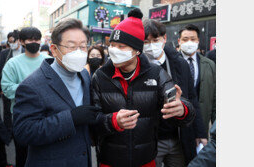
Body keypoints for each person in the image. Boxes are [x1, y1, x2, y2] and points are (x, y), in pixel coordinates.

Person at [91, 8, 195, 167]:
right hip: (109, 160)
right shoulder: (100, 76)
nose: (114, 50)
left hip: (146, 160)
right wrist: (112, 121)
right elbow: (92, 121)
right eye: (112, 45)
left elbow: (183, 107)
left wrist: (182, 109)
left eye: (121, 46)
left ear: (137, 51)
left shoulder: (156, 74)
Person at [12, 18, 105, 167]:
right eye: (71, 46)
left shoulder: (84, 75)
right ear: (54, 49)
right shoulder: (31, 85)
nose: (79, 52)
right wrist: (71, 118)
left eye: (83, 46)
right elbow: (24, 132)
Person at [143, 19, 207, 166]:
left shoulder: (179, 64)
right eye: (146, 42)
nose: (151, 45)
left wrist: (200, 132)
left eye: (155, 40)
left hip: (178, 136)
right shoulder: (138, 66)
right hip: (151, 140)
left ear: (164, 38)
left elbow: (192, 99)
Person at [1, 27, 50, 167]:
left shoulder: (50, 61)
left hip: (47, 117)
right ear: (22, 42)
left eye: (37, 39)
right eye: (30, 39)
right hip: (22, 118)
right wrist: (33, 90)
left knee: (46, 156)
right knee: (23, 157)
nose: (34, 42)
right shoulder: (13, 64)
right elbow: (7, 89)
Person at [177, 24, 216, 138]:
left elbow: (214, 97)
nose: (189, 42)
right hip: (179, 126)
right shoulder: (172, 63)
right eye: (185, 39)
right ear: (179, 41)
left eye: (193, 39)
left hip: (202, 123)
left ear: (198, 41)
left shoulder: (209, 65)